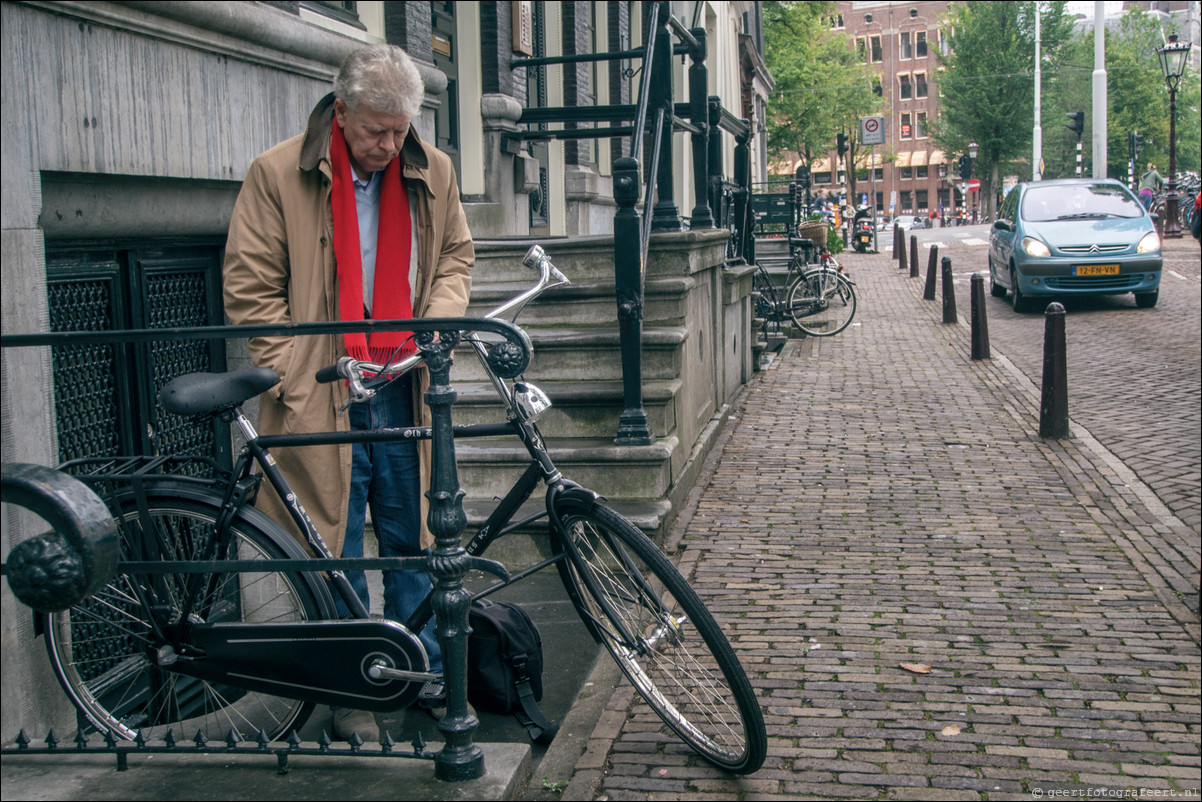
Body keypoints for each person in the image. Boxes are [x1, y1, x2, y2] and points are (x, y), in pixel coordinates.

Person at [223, 43, 474, 740]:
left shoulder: (434, 170)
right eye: (374, 131)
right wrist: (295, 373)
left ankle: (419, 673)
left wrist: (437, 328)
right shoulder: (277, 173)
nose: (388, 146)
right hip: (324, 383)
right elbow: (251, 288)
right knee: (334, 539)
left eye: (399, 132)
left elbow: (455, 256)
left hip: (404, 379)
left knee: (417, 534)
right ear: (341, 113)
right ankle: (355, 695)